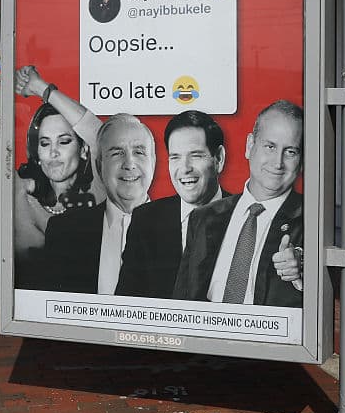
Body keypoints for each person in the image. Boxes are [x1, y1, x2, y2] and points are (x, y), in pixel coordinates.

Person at [173, 100, 305, 307]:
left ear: (302, 160)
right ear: (250, 146)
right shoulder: (204, 217)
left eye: (291, 152)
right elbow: (181, 298)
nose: (278, 163)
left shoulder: (311, 220)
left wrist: (304, 269)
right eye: (270, 146)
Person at [116, 110, 232, 298]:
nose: (184, 168)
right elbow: (126, 302)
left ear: (218, 158)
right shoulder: (145, 220)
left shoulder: (245, 215)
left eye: (196, 155)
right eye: (175, 157)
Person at [42, 113, 155, 294]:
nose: (129, 163)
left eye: (139, 152)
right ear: (99, 165)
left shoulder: (185, 231)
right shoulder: (63, 232)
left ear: (154, 162)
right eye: (117, 153)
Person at [14, 102, 99, 289]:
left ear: (83, 150)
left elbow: (98, 134)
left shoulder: (100, 196)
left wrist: (45, 90)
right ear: (37, 152)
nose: (53, 152)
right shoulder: (20, 197)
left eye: (64, 141)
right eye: (45, 143)